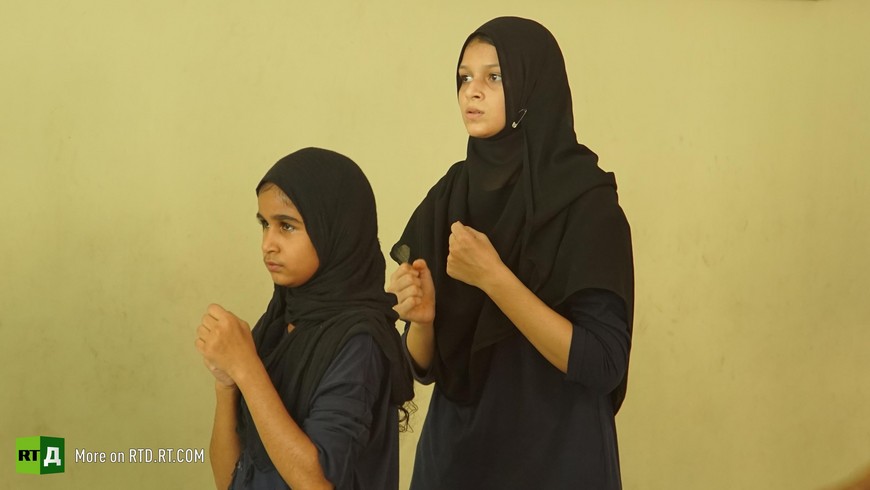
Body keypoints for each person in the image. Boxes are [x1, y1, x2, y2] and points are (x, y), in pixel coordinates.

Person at [387, 17, 634, 489]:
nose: (471, 92)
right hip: (456, 459)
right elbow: (421, 368)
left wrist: (494, 278)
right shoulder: (449, 197)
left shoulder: (585, 204)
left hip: (557, 456)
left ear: (532, 86)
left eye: (493, 77)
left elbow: (602, 362)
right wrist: (421, 319)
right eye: (464, 77)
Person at [194, 147, 414, 490]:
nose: (269, 243)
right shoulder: (279, 322)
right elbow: (231, 480)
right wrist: (226, 384)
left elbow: (318, 483)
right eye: (265, 225)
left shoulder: (359, 342)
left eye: (287, 226)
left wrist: (247, 369)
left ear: (335, 231)